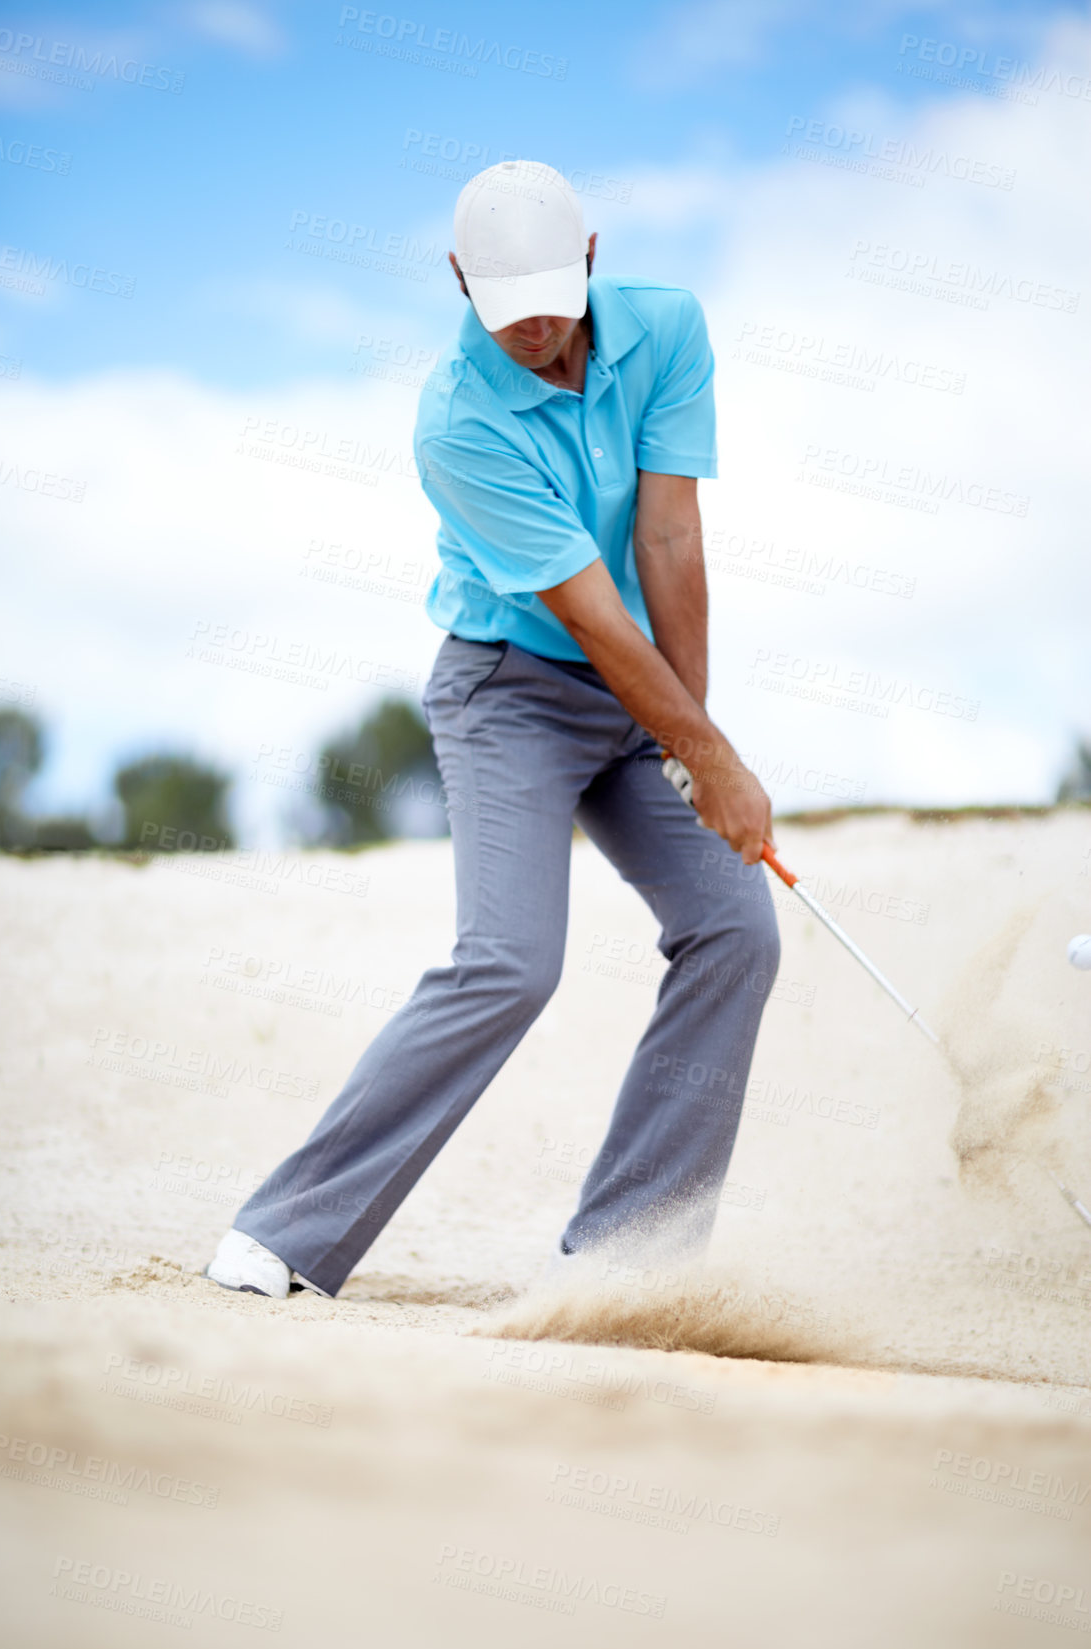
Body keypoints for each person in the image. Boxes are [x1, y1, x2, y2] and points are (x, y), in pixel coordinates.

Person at [205, 160, 779, 1300]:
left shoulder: (665, 330)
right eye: (502, 300)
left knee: (737, 932)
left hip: (641, 693)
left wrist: (689, 737)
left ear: (593, 261)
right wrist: (708, 756)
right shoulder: (455, 422)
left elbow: (666, 542)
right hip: (509, 690)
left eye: (551, 297)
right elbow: (589, 611)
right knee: (510, 962)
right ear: (458, 278)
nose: (530, 326)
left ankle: (626, 1260)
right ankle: (282, 1232)